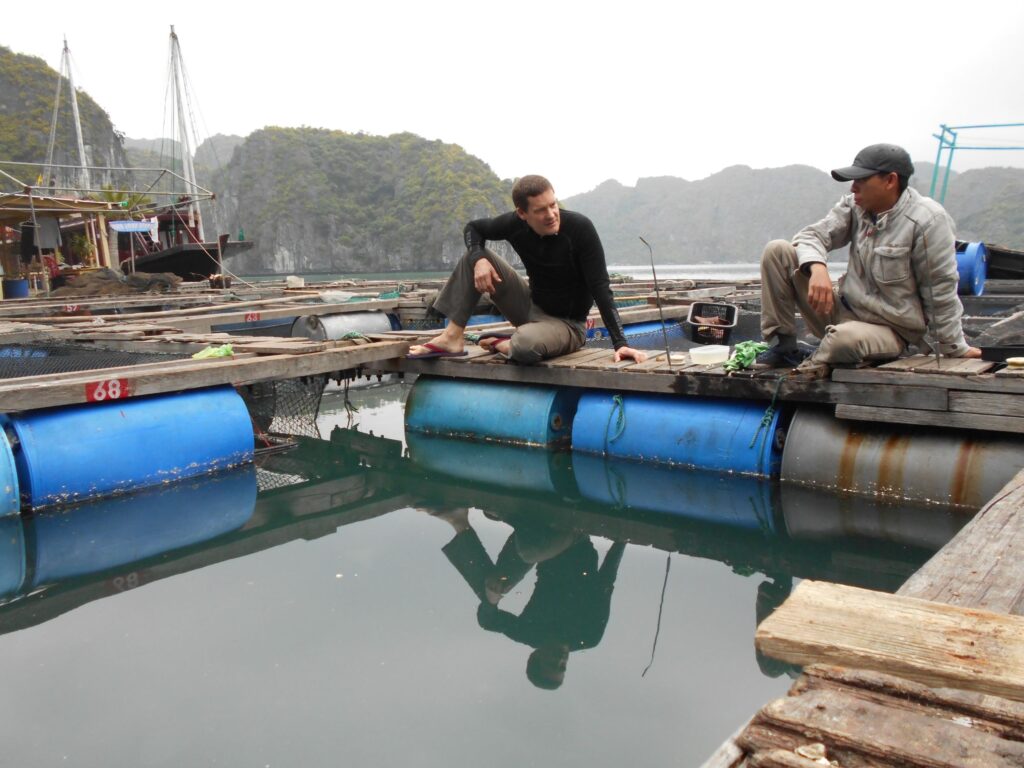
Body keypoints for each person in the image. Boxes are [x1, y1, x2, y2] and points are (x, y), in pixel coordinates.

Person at [758, 143, 981, 368]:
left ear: (890, 181)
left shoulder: (927, 221)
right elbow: (811, 236)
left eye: (861, 180)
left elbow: (940, 290)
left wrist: (954, 347)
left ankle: (815, 359)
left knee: (842, 341)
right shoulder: (855, 206)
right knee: (777, 251)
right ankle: (785, 346)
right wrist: (817, 267)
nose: (853, 188)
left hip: (889, 330)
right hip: (842, 311)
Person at [407, 175, 648, 364]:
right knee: (473, 257)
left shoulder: (580, 229)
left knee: (524, 346)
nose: (551, 214)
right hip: (529, 306)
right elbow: (473, 228)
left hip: (567, 325)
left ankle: (506, 344)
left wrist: (620, 343)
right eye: (541, 210)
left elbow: (601, 288)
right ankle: (452, 337)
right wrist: (479, 258)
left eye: (553, 205)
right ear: (522, 214)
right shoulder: (514, 225)